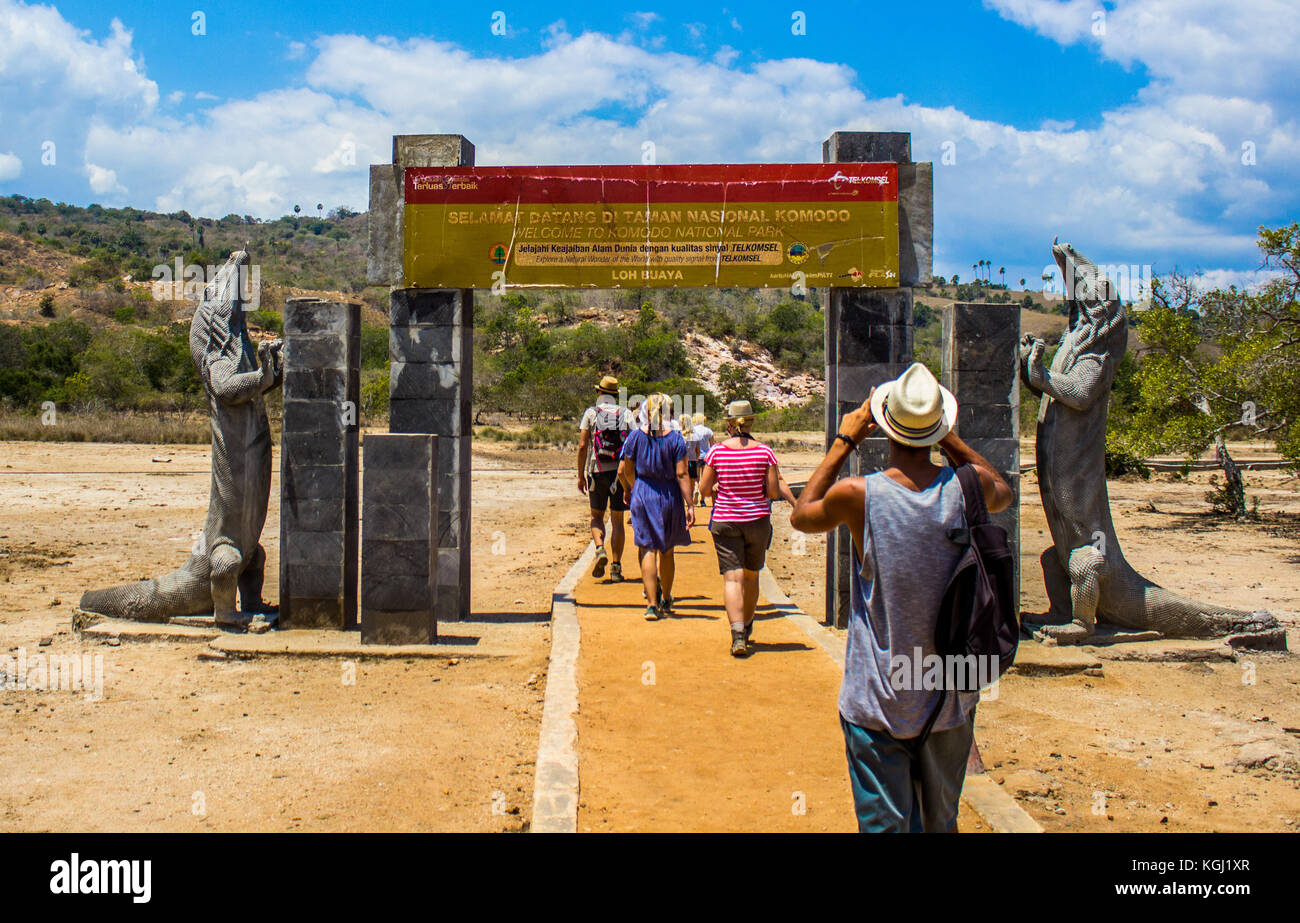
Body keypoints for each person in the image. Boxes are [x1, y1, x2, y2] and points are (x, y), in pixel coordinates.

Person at [789, 362, 1013, 833]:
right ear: (938, 426)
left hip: (877, 698)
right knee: (940, 823)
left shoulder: (859, 495)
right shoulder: (968, 489)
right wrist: (950, 441)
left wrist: (845, 439)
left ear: (882, 426)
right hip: (949, 697)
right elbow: (1004, 492)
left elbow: (802, 515)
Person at [698, 400, 797, 657]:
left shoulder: (717, 452)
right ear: (752, 422)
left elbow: (704, 489)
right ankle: (749, 623)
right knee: (752, 575)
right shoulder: (765, 453)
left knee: (733, 577)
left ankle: (737, 633)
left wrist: (721, 489)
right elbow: (773, 492)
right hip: (757, 521)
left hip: (726, 520)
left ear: (729, 424)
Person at [617, 393, 694, 620]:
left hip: (643, 492)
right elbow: (681, 473)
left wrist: (632, 488)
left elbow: (624, 470)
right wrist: (690, 503)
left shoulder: (635, 437)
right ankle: (667, 598)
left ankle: (651, 604)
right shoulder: (676, 439)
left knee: (647, 548)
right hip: (669, 494)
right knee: (667, 551)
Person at [577, 375, 631, 582]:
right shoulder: (626, 414)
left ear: (600, 393)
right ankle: (616, 567)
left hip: (596, 470)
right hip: (620, 473)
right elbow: (633, 445)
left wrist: (580, 475)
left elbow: (583, 446)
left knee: (596, 517)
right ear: (616, 395)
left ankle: (600, 548)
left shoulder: (591, 413)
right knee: (617, 521)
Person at [689, 412, 714, 507]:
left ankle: (695, 489)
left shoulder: (693, 430)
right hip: (706, 457)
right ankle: (702, 501)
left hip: (695, 457)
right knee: (704, 479)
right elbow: (712, 445)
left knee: (695, 478)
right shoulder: (708, 431)